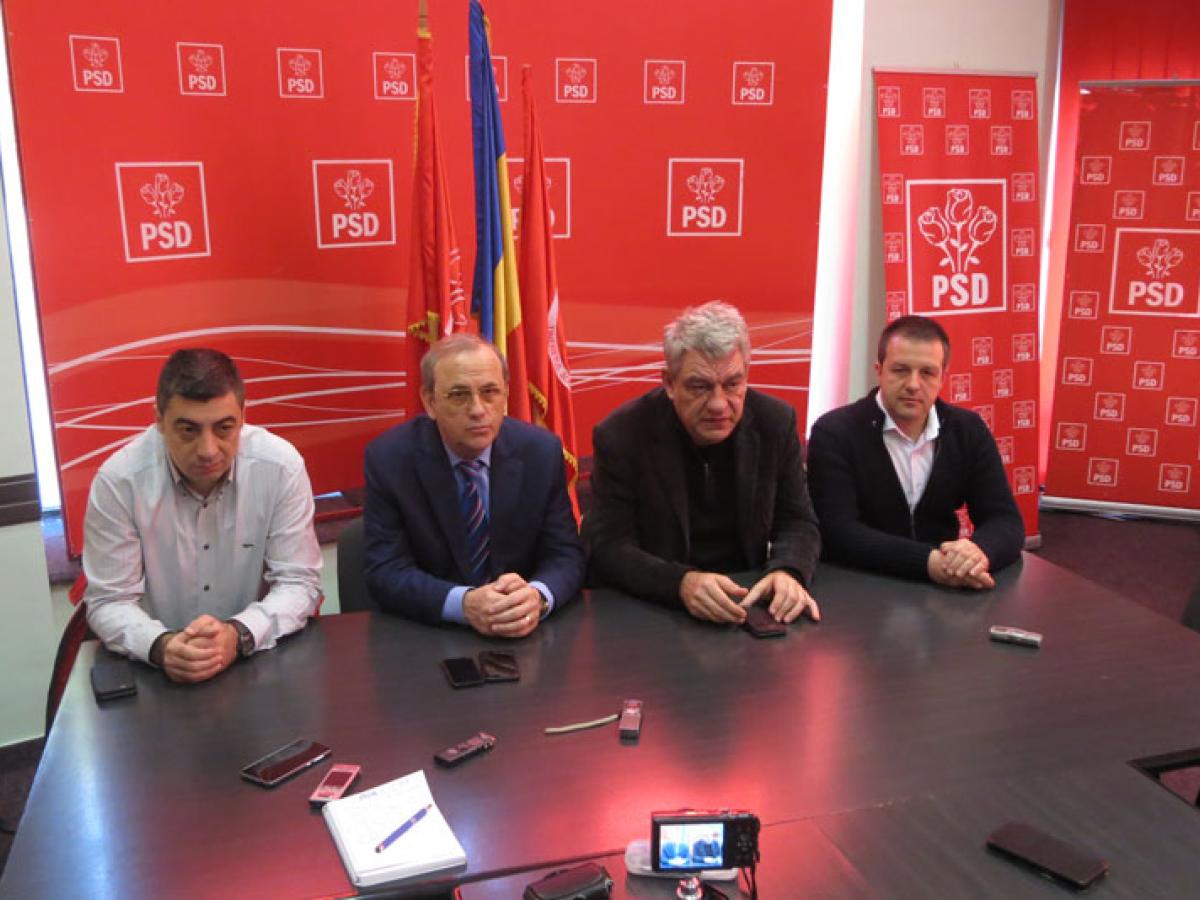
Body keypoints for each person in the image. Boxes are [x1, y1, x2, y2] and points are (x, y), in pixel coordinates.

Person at [83, 349, 322, 683]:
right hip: (156, 671)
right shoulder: (120, 481)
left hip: (256, 662)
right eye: (188, 430)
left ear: (243, 416)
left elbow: (299, 583)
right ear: (159, 420)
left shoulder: (280, 467)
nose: (208, 450)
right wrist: (161, 646)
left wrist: (238, 635)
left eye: (224, 428)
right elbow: (110, 601)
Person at [584, 301, 821, 625]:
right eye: (700, 387)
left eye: (733, 384)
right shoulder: (621, 435)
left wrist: (788, 570)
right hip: (655, 610)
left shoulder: (775, 422)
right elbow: (608, 546)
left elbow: (798, 521)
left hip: (746, 599)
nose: (718, 404)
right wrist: (680, 584)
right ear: (669, 383)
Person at [364, 334, 584, 636]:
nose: (478, 409)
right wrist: (464, 604)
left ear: (506, 394)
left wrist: (537, 596)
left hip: (524, 632)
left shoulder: (540, 452)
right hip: (431, 637)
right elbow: (386, 571)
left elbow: (566, 555)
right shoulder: (391, 459)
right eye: (459, 395)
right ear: (430, 402)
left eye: (490, 392)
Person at [806, 315, 1024, 588]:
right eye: (900, 370)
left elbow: (1005, 519)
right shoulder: (835, 432)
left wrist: (978, 553)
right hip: (862, 585)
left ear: (943, 377)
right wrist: (929, 563)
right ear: (879, 370)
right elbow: (838, 532)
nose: (913, 384)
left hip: (948, 589)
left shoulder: (967, 429)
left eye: (927, 373)